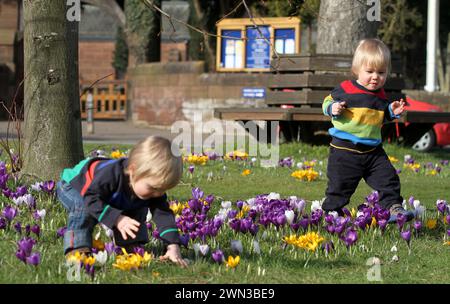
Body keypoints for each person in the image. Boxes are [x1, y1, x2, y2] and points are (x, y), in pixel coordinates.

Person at [56, 136, 188, 267]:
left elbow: (164, 215)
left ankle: (130, 245)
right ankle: (77, 249)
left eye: (163, 189)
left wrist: (173, 246)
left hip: (104, 193)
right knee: (83, 208)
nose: (158, 194)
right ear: (133, 170)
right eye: (153, 188)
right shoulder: (110, 175)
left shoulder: (151, 188)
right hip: (75, 186)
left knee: (138, 205)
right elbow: (90, 198)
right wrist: (116, 219)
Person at [322, 38, 415, 223]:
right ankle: (331, 214)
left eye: (381, 72)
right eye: (370, 71)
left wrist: (391, 111)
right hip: (345, 150)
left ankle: (393, 207)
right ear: (357, 69)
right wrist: (332, 108)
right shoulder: (345, 88)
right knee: (340, 186)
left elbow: (380, 116)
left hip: (373, 152)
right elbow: (326, 102)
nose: (375, 77)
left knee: (388, 179)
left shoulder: (380, 95)